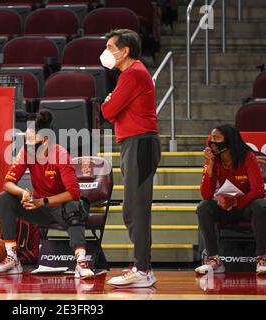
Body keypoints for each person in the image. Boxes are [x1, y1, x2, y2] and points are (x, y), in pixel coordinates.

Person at [0, 110, 94, 279]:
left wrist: (42, 202)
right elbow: (7, 183)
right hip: (39, 209)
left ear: (45, 140)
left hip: (61, 209)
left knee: (73, 206)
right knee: (4, 199)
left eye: (31, 141)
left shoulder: (60, 154)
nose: (27, 145)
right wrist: (23, 192)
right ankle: (12, 258)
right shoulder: (26, 153)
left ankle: (81, 262)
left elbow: (74, 193)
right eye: (26, 141)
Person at [101, 29, 160, 288]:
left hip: (140, 144)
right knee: (132, 208)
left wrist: (109, 103)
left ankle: (143, 269)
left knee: (136, 209)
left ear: (125, 51)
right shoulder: (132, 73)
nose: (106, 52)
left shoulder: (133, 73)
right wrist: (111, 104)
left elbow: (108, 110)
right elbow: (113, 110)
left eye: (111, 47)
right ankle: (142, 265)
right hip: (134, 144)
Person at [195, 124, 266, 276]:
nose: (212, 142)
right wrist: (210, 166)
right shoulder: (213, 160)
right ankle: (214, 259)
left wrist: (237, 202)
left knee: (259, 205)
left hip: (249, 205)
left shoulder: (247, 157)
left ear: (229, 141)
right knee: (204, 207)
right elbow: (206, 195)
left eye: (217, 138)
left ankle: (261, 259)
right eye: (211, 138)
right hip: (230, 207)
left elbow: (258, 191)